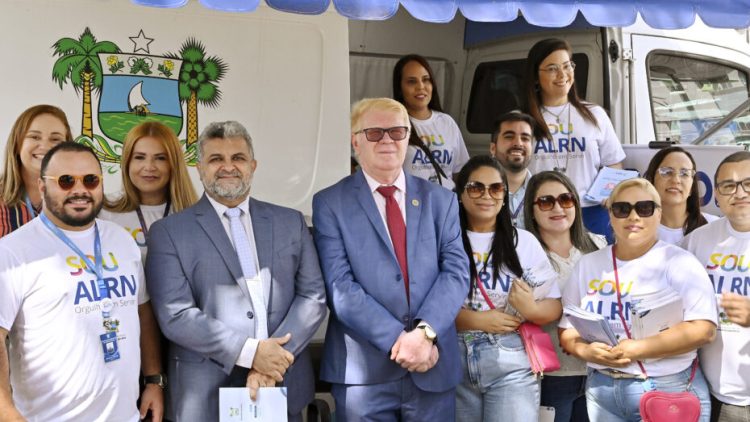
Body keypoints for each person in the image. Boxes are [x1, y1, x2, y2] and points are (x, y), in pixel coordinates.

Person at [145, 121, 326, 422]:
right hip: (205, 396)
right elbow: (175, 315)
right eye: (216, 159)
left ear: (253, 166)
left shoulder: (290, 222)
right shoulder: (168, 233)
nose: (228, 167)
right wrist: (251, 352)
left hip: (282, 383)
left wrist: (275, 361)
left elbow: (313, 296)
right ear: (200, 168)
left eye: (238, 158)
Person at [312, 98, 469, 421]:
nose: (387, 140)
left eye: (397, 132)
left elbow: (456, 273)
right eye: (374, 133)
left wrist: (424, 335)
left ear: (408, 138)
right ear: (355, 140)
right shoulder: (330, 203)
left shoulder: (442, 201)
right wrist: (400, 341)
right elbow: (340, 286)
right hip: (364, 375)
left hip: (432, 365)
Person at [0, 142, 163, 421]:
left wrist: (153, 381)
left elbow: (142, 311)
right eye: (65, 181)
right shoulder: (13, 251)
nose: (79, 190)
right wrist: (7, 412)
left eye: (90, 180)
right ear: (42, 186)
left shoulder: (121, 240)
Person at [559, 178, 717, 422]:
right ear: (610, 215)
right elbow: (567, 331)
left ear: (658, 214)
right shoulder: (588, 265)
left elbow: (703, 330)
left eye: (644, 208)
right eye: (622, 209)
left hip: (667, 388)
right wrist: (588, 351)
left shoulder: (680, 262)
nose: (633, 217)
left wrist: (638, 349)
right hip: (603, 391)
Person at [454, 156, 562, 422]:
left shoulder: (522, 241)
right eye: (476, 187)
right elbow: (423, 302)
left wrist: (532, 309)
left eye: (496, 188)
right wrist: (471, 319)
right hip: (451, 360)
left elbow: (554, 305)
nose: (486, 195)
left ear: (504, 195)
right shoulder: (445, 239)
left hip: (510, 357)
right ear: (460, 193)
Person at [523, 170, 606, 422]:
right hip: (550, 375)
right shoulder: (524, 253)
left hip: (598, 372)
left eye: (566, 199)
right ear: (532, 209)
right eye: (546, 201)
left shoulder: (600, 245)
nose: (557, 207)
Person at [523, 38, 626, 241]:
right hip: (542, 213)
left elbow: (613, 163)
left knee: (596, 272)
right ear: (535, 76)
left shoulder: (595, 114)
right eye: (552, 68)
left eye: (567, 66)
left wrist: (610, 192)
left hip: (591, 213)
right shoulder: (522, 120)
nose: (562, 75)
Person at [682, 151, 750, 421]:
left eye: (749, 183)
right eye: (728, 185)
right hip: (714, 396)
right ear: (717, 196)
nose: (740, 192)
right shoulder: (697, 241)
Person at [100, 121, 198, 261]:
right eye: (139, 157)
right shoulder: (104, 211)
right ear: (127, 163)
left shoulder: (194, 216)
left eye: (160, 158)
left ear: (173, 164)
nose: (149, 167)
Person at [393, 54, 469, 190]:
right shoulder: (392, 124)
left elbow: (461, 173)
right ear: (400, 88)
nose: (420, 86)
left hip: (445, 206)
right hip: (409, 206)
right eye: (411, 81)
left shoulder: (447, 122)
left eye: (426, 80)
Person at [0, 104, 73, 237]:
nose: (45, 146)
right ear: (17, 144)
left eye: (55, 139)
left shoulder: (79, 197)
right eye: (35, 137)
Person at [643, 146, 718, 244]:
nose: (676, 180)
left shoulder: (713, 226)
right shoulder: (638, 228)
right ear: (651, 179)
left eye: (684, 174)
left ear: (692, 186)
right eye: (667, 172)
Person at [490, 111, 536, 228]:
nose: (518, 143)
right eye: (509, 137)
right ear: (493, 148)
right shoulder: (478, 192)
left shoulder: (544, 191)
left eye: (525, 138)